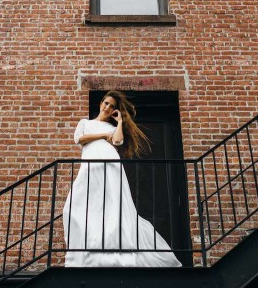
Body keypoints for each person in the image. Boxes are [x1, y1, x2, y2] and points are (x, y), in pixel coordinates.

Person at [62, 91, 181, 267]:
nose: (107, 107)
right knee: (74, 206)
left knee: (113, 205)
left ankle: (112, 249)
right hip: (90, 166)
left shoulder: (112, 127)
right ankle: (86, 251)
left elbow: (117, 142)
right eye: (106, 103)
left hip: (110, 166)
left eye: (112, 106)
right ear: (100, 103)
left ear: (114, 111)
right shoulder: (85, 123)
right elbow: (79, 139)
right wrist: (102, 136)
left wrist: (119, 122)